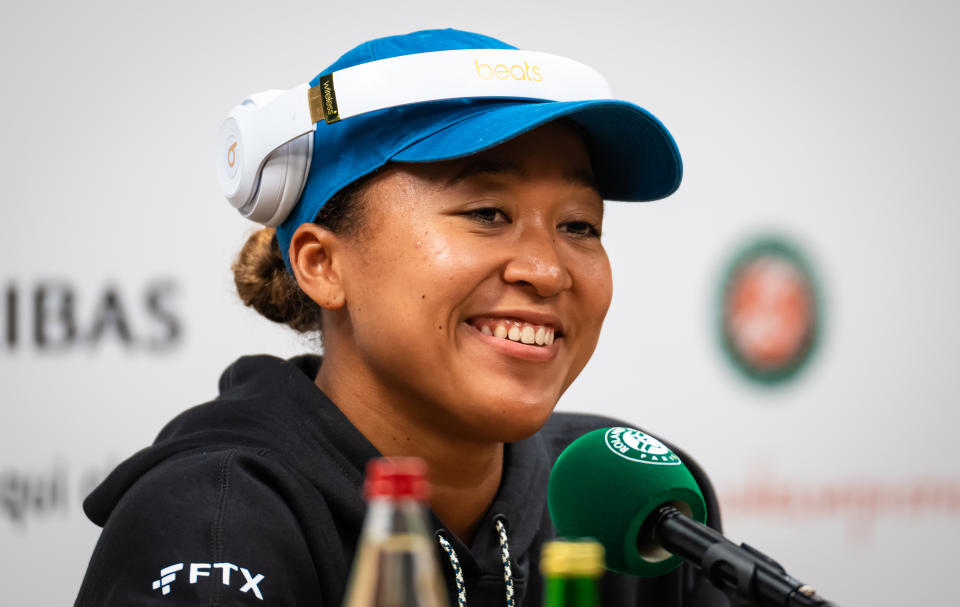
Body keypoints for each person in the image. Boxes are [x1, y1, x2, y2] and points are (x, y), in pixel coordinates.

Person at [75, 28, 729, 606]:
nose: (548, 268)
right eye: (486, 213)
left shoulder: (636, 502)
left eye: (580, 224)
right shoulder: (215, 518)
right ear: (322, 265)